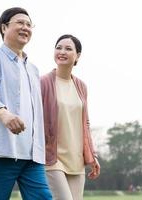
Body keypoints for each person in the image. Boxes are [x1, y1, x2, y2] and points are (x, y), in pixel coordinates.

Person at [0, 7, 52, 200]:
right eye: (20, 23)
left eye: (29, 24)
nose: (25, 27)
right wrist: (4, 114)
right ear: (4, 27)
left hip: (32, 156)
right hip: (1, 151)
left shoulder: (33, 69)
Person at [40, 34, 101, 200]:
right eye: (58, 47)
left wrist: (92, 155)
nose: (62, 51)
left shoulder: (81, 86)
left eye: (68, 48)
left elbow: (85, 123)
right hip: (52, 157)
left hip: (76, 159)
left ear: (77, 56)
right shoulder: (43, 83)